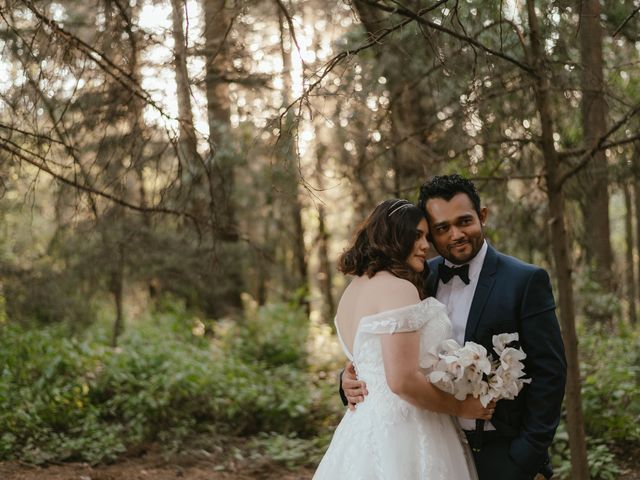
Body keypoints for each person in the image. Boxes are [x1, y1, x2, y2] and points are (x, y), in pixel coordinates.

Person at [341, 175, 567, 480]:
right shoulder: (416, 277)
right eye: (442, 228)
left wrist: (526, 455)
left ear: (482, 216)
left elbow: (550, 371)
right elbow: (385, 350)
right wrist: (348, 378)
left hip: (501, 452)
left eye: (465, 221)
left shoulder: (525, 281)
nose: (456, 234)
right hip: (428, 446)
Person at [314, 198, 494, 480]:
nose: (426, 245)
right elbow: (401, 381)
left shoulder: (352, 291)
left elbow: (368, 361)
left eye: (426, 236)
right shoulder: (398, 288)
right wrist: (463, 407)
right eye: (417, 236)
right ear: (394, 237)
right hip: (409, 430)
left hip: (360, 430)